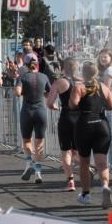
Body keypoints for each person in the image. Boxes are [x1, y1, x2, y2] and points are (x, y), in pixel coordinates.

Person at [71, 61, 112, 207]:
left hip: (85, 125)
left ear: (83, 73)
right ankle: (105, 187)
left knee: (84, 162)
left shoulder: (79, 87)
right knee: (102, 162)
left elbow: (73, 104)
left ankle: (86, 194)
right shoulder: (104, 87)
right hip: (102, 125)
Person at [14, 56, 51, 184]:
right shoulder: (44, 77)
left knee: (27, 140)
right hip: (40, 111)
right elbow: (49, 93)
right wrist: (41, 93)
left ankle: (29, 163)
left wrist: (23, 90)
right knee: (39, 143)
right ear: (37, 66)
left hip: (27, 112)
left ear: (27, 66)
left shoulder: (22, 77)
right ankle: (38, 172)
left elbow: (18, 93)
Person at [45, 57, 80, 192]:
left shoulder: (59, 82)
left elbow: (49, 102)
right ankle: (84, 168)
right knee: (77, 150)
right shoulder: (82, 82)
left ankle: (71, 181)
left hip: (66, 117)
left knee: (66, 151)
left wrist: (53, 106)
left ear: (62, 68)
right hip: (81, 118)